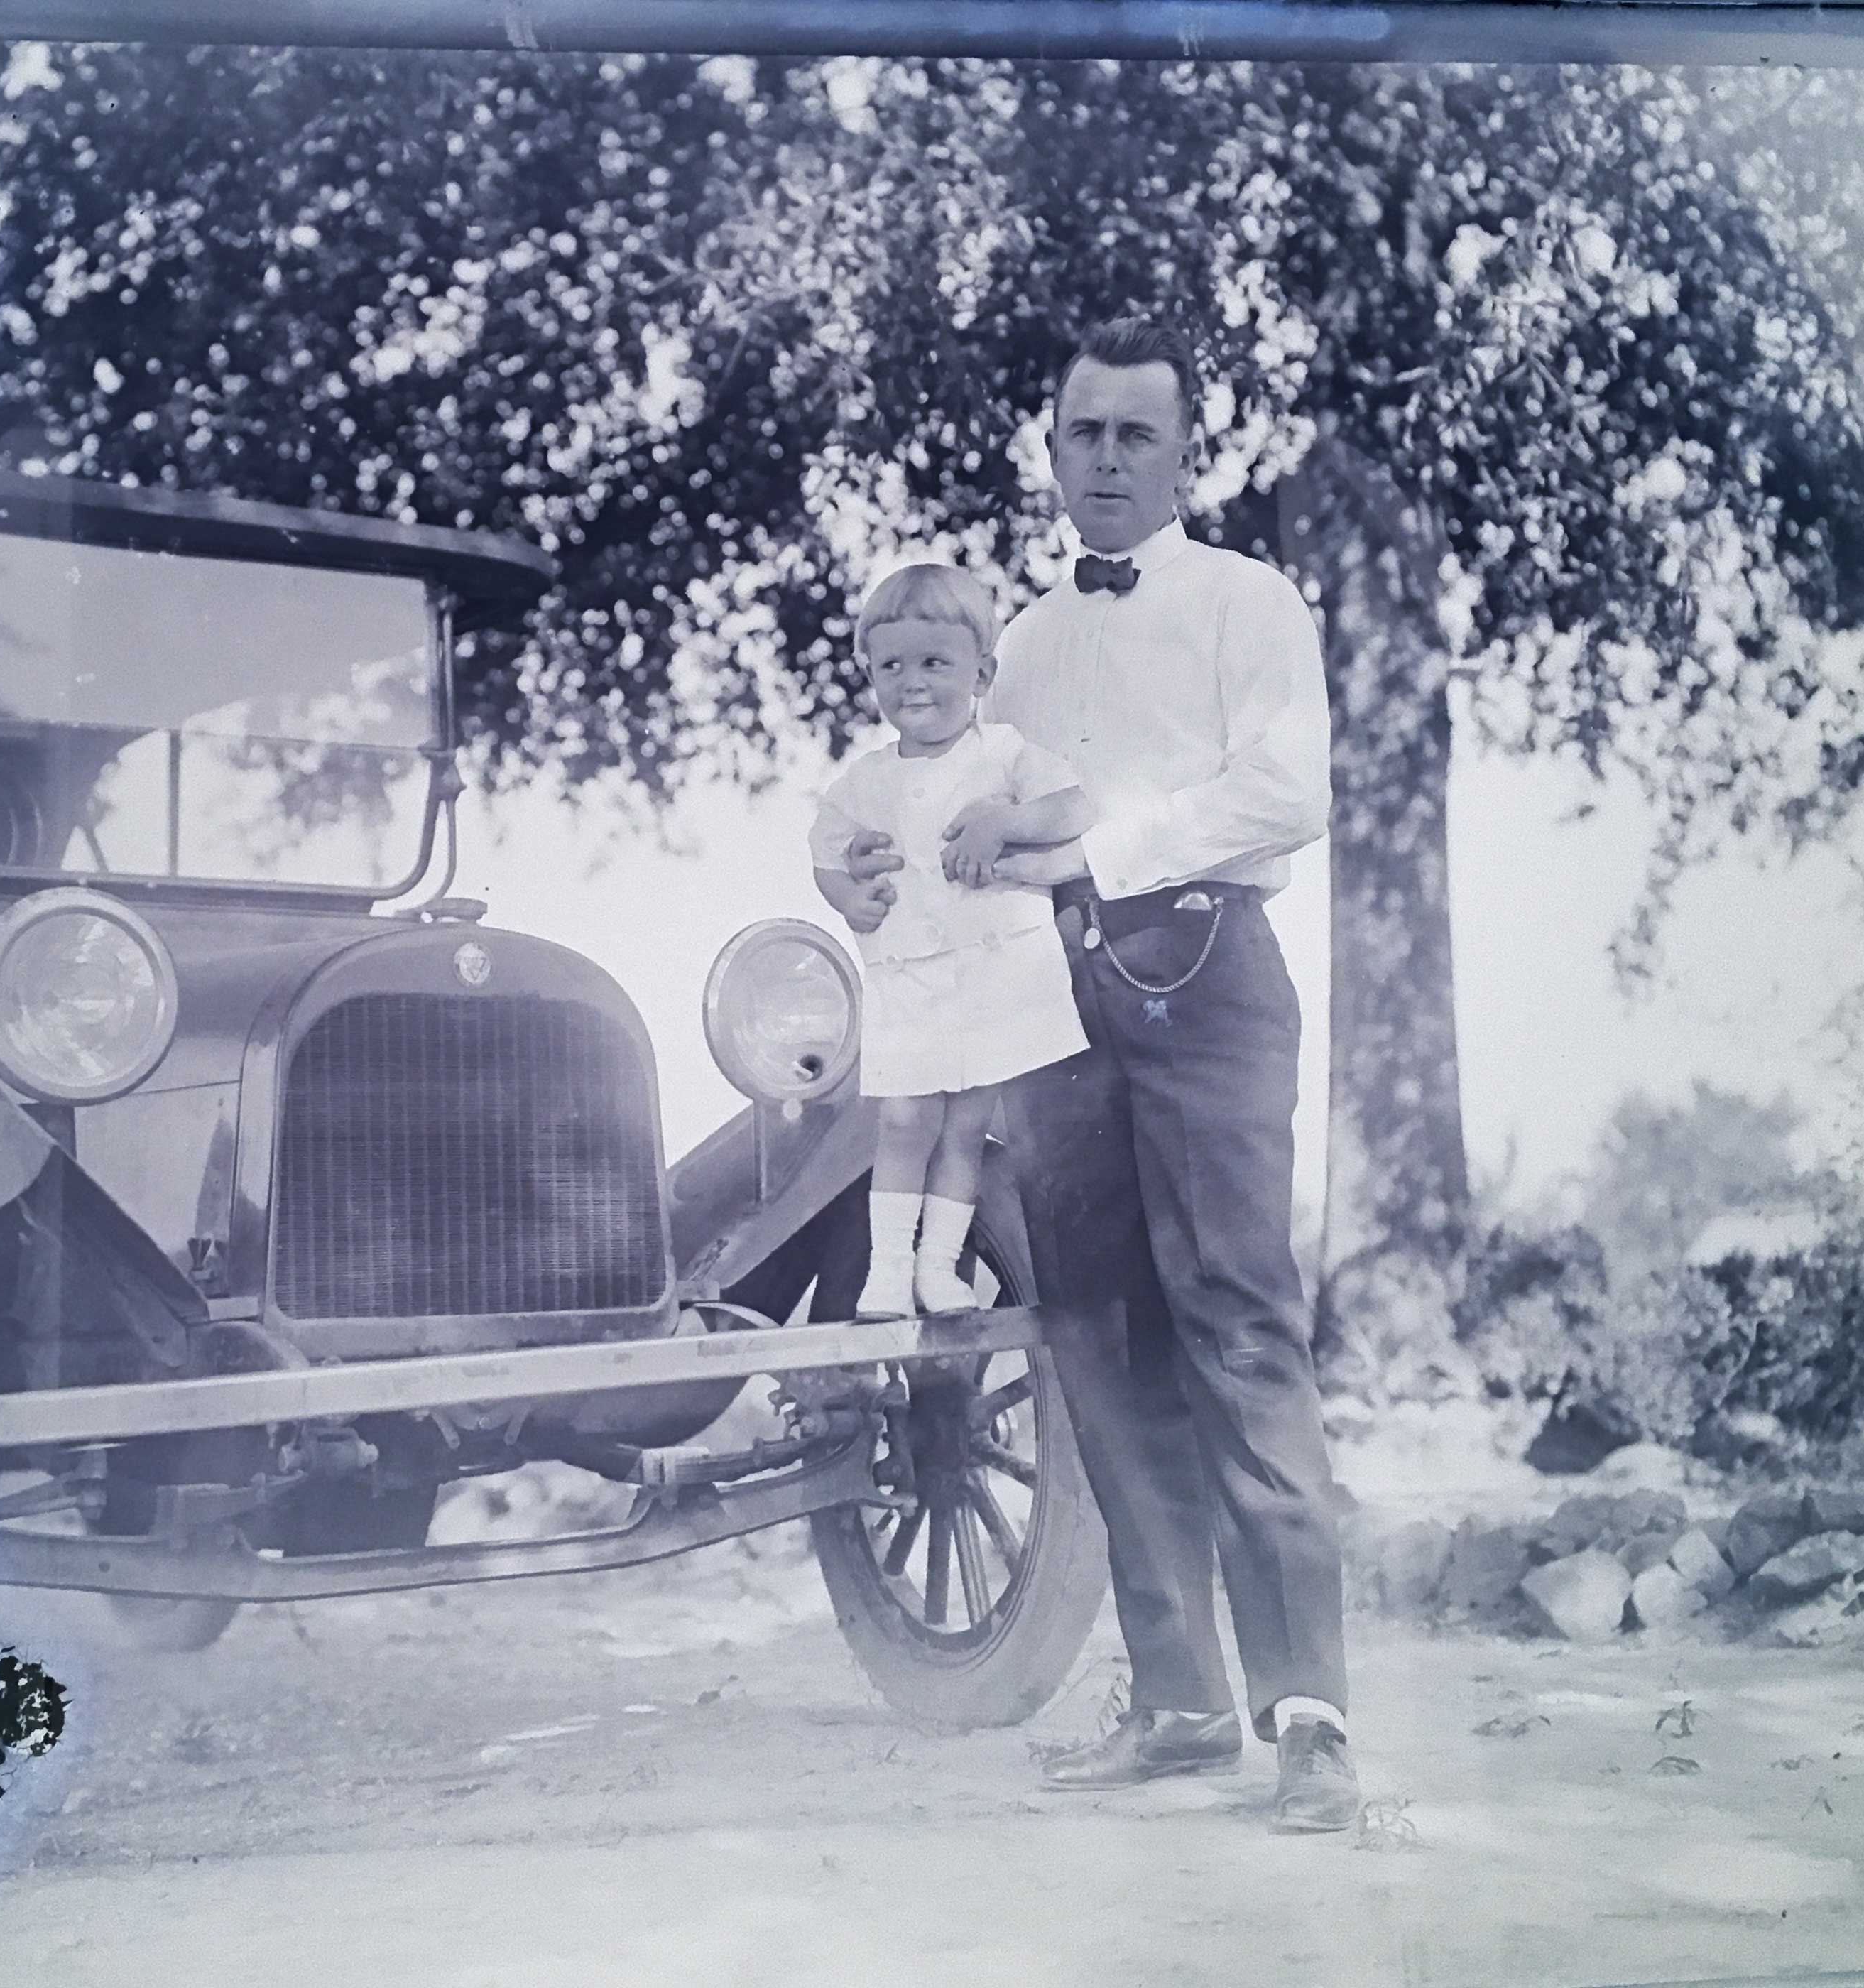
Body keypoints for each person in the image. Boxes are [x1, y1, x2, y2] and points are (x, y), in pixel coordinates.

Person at [818, 317, 1358, 1832]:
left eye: (1136, 434)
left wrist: (1086, 848)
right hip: (1044, 1002)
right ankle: (1180, 1699)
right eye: (1083, 434)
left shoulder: (1246, 600)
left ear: (1184, 452)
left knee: (1238, 1322)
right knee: (1096, 1340)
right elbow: (937, 816)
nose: (1108, 459)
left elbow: (1285, 790)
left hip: (1205, 972)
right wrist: (864, 874)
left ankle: (1310, 1719)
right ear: (1050, 452)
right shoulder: (1017, 645)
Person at [808, 563, 1094, 1320]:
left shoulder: (1002, 755)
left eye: (935, 663)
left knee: (966, 1126)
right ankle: (888, 1271)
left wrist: (1010, 822)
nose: (913, 683)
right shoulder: (865, 781)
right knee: (904, 1120)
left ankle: (938, 1269)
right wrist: (849, 897)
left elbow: (1074, 806)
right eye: (892, 666)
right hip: (912, 977)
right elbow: (825, 855)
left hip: (994, 970)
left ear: (981, 674)